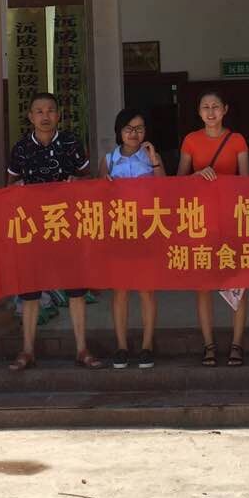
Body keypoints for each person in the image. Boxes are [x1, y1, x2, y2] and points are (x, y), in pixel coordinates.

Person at [6, 92, 99, 370]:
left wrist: (78, 182)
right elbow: (9, 186)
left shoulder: (71, 143)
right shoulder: (21, 148)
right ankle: (27, 351)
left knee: (76, 288)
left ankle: (82, 349)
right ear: (30, 116)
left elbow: (89, 179)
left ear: (58, 115)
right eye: (39, 111)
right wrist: (16, 188)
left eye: (50, 111)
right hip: (33, 228)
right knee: (30, 290)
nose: (45, 116)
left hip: (67, 226)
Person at [177, 90, 249, 367]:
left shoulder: (237, 139)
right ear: (199, 112)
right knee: (203, 286)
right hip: (201, 221)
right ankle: (208, 345)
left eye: (215, 107)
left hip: (231, 219)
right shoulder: (191, 140)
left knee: (238, 284)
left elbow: (247, 181)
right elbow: (178, 182)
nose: (211, 112)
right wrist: (196, 176)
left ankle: (237, 344)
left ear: (225, 109)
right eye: (205, 107)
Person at [102, 108, 165, 369]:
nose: (134, 133)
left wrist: (154, 161)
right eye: (128, 128)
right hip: (119, 232)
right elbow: (99, 197)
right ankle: (121, 346)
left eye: (139, 128)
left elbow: (166, 189)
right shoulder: (109, 160)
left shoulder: (152, 157)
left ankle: (147, 346)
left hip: (147, 231)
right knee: (120, 290)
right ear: (119, 131)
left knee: (146, 289)